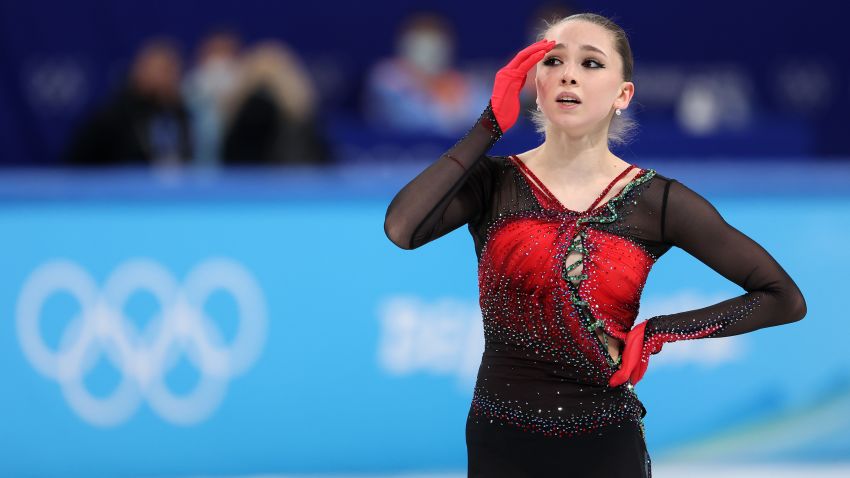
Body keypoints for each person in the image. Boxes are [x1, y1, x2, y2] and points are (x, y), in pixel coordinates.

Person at [383, 12, 807, 477]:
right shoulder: (493, 181)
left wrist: (658, 332)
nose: (569, 73)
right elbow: (402, 228)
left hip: (607, 443)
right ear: (535, 83)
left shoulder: (656, 199)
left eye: (591, 63)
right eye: (553, 61)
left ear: (623, 94)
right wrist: (487, 127)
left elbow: (783, 298)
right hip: (501, 437)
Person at [65, 37, 192, 167]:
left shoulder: (181, 114)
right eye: (159, 70)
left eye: (170, 70)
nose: (165, 78)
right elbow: (77, 162)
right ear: (140, 71)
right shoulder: (114, 116)